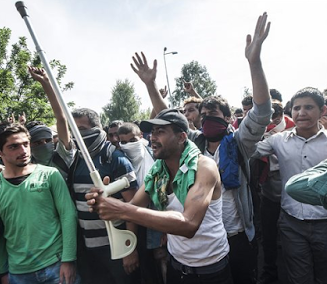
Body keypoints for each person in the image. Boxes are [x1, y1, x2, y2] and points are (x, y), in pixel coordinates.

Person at [130, 12, 272, 284]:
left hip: (236, 234)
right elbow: (168, 118)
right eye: (203, 113)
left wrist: (254, 62)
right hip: (202, 247)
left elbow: (262, 111)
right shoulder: (194, 143)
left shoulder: (240, 143)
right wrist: (150, 85)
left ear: (228, 119)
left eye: (213, 113)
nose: (206, 118)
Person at [87, 108, 232, 284]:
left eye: (160, 132)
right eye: (152, 132)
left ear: (181, 137)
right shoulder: (157, 172)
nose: (152, 137)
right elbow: (134, 206)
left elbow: (189, 224)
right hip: (176, 265)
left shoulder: (204, 168)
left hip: (210, 270)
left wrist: (122, 209)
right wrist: (105, 201)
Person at [27, 67, 139, 284]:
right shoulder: (73, 159)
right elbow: (60, 118)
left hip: (115, 245)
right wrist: (46, 86)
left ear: (97, 129)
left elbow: (133, 205)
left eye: (82, 129)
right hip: (86, 248)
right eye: (74, 129)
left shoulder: (114, 159)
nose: (77, 134)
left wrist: (129, 248)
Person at [0, 122, 78, 284]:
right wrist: (2, 271)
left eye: (26, 144)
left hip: (57, 266)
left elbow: (68, 215)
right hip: (18, 272)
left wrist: (68, 260)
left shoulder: (50, 175)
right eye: (14, 147)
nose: (23, 151)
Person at [253, 87, 327, 284]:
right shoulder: (278, 140)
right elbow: (249, 150)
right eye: (297, 108)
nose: (301, 113)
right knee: (298, 277)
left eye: (309, 107)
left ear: (323, 111)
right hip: (292, 224)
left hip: (324, 222)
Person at [118, 122, 168, 284]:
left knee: (162, 266)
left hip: (159, 221)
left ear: (141, 137)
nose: (128, 145)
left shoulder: (156, 156)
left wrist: (165, 229)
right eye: (123, 142)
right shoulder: (120, 161)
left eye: (132, 140)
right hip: (135, 222)